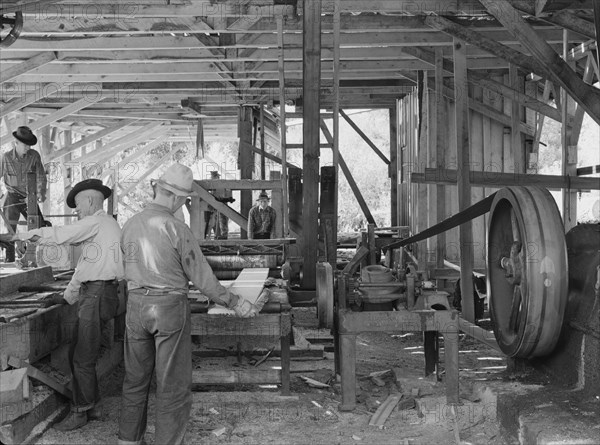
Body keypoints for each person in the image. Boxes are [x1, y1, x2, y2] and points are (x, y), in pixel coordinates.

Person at [118, 163, 260, 445]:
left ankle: (128, 441)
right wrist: (234, 301)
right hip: (168, 308)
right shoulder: (176, 228)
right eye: (184, 200)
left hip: (135, 307)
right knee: (171, 384)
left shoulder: (130, 224)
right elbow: (202, 279)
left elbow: (124, 266)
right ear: (176, 197)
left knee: (135, 380)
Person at [12, 178, 123, 431]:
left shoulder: (95, 221)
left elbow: (62, 234)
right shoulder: (106, 226)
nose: (77, 211)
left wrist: (23, 235)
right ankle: (93, 406)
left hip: (95, 295)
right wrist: (66, 296)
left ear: (92, 201)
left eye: (79, 205)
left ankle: (80, 411)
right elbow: (85, 267)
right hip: (98, 293)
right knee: (81, 353)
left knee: (82, 357)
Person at [1, 126, 49, 262]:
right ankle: (9, 258)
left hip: (30, 197)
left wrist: (40, 193)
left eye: (29, 145)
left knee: (39, 225)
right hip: (11, 196)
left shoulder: (34, 156)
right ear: (16, 143)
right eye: (25, 145)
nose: (28, 148)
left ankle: (38, 256)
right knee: (10, 227)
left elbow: (40, 176)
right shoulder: (6, 158)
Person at [204, 170, 234, 240]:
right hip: (214, 205)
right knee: (213, 222)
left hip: (222, 204)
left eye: (214, 177)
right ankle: (214, 236)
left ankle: (223, 235)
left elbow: (228, 193)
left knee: (222, 220)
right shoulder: (211, 184)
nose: (213, 178)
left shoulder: (222, 184)